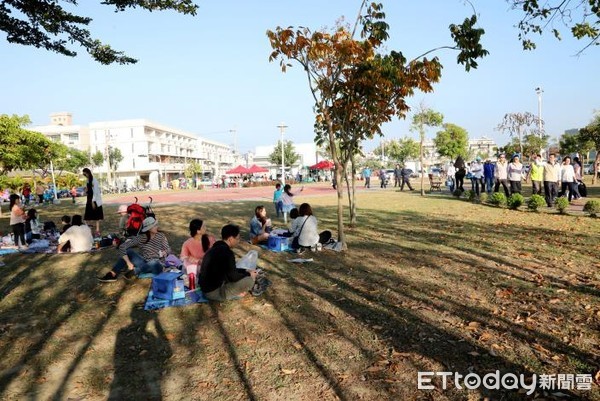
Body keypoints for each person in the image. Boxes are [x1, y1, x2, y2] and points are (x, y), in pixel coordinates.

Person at [98, 217, 171, 282]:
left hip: (158, 264)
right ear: (148, 229)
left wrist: (165, 252)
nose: (156, 227)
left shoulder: (161, 235)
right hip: (144, 262)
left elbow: (168, 249)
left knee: (154, 263)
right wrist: (128, 262)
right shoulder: (141, 238)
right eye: (154, 225)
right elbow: (122, 247)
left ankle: (135, 271)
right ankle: (112, 274)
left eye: (156, 225)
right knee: (129, 251)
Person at [199, 224, 257, 301]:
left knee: (245, 276)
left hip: (206, 288)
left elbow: (229, 270)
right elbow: (233, 277)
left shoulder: (215, 248)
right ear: (230, 239)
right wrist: (249, 274)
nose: (238, 241)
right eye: (237, 238)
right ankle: (234, 295)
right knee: (249, 280)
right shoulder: (227, 253)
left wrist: (245, 271)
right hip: (214, 292)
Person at [82, 168, 103, 236]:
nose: (85, 175)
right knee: (87, 216)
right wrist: (86, 190)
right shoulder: (88, 180)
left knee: (96, 216)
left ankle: (97, 230)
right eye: (84, 174)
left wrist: (93, 202)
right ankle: (88, 229)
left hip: (94, 200)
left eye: (85, 174)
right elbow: (89, 190)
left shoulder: (94, 180)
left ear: (88, 173)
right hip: (89, 199)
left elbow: (96, 192)